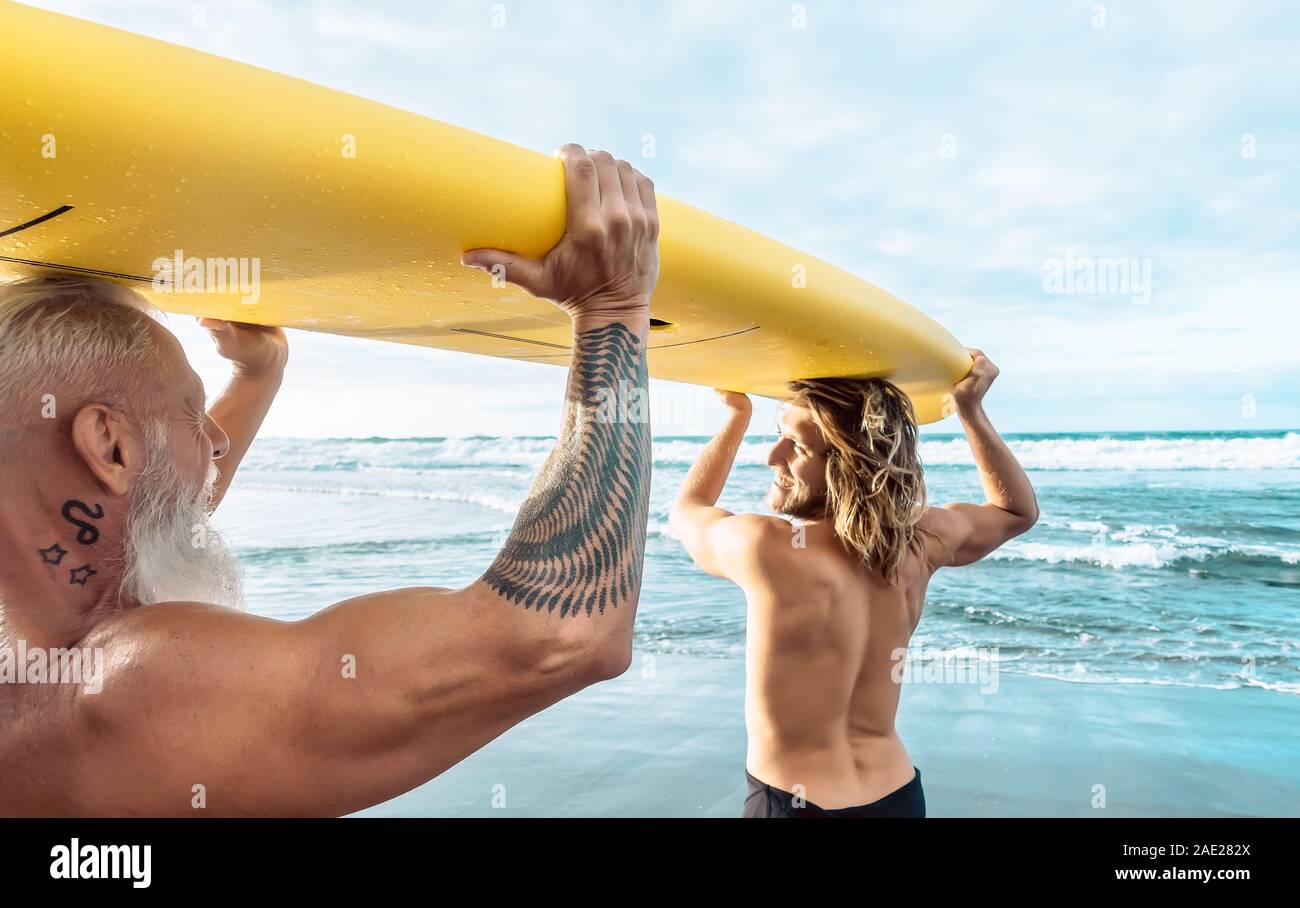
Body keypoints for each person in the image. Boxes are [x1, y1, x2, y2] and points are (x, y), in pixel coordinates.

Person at [0, 145, 658, 816]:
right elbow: (562, 637)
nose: (217, 439)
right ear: (108, 444)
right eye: (192, 416)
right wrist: (611, 309)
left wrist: (258, 376)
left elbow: (147, 500)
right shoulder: (134, 687)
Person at [670, 354, 1038, 817]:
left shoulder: (764, 547)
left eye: (796, 448)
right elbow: (1015, 512)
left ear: (845, 467)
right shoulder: (921, 542)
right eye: (777, 436)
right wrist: (971, 410)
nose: (772, 456)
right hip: (898, 796)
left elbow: (687, 511)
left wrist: (735, 417)